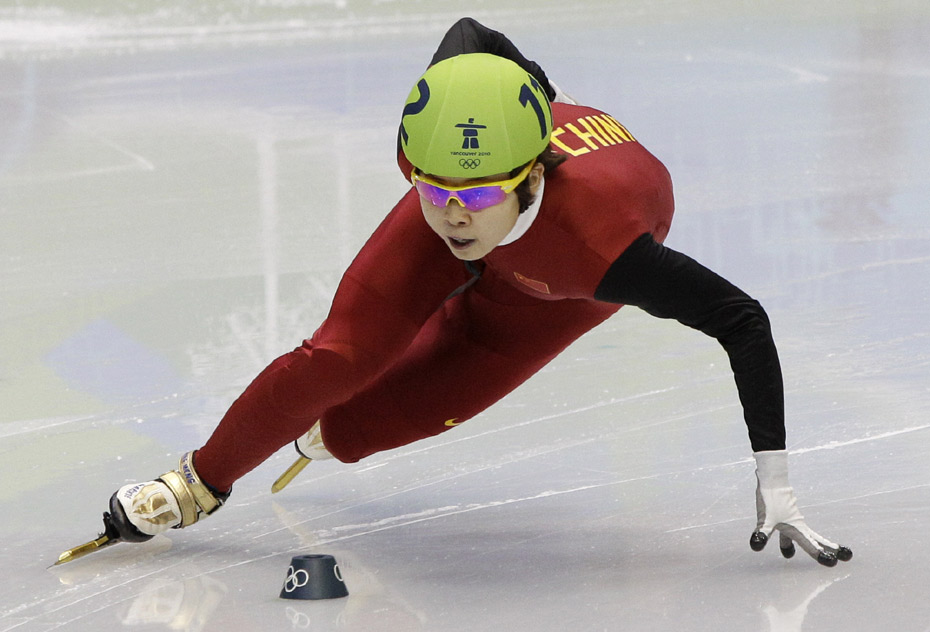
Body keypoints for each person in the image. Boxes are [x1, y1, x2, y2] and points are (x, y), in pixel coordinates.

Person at [84, 18, 852, 567]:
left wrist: (775, 479)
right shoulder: (454, 181)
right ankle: (195, 483)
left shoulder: (599, 248)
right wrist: (492, 135)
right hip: (521, 204)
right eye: (431, 188)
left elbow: (742, 319)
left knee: (366, 425)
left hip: (555, 282)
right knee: (339, 357)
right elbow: (469, 33)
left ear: (533, 177)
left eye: (477, 197)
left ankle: (323, 438)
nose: (454, 216)